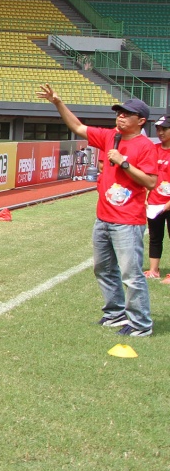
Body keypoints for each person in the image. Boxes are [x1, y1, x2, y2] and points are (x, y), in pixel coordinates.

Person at [37, 85, 156, 337]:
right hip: (103, 218)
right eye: (119, 112)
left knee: (131, 274)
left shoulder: (145, 146)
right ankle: (115, 313)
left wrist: (123, 163)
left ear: (141, 120)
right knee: (103, 268)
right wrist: (58, 103)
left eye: (127, 114)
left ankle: (141, 324)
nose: (120, 116)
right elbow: (79, 128)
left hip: (128, 221)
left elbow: (150, 182)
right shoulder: (109, 136)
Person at [145, 116, 170, 280]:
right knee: (155, 237)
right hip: (154, 202)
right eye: (158, 129)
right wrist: (146, 197)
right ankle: (154, 270)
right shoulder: (153, 149)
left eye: (164, 129)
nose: (160, 132)